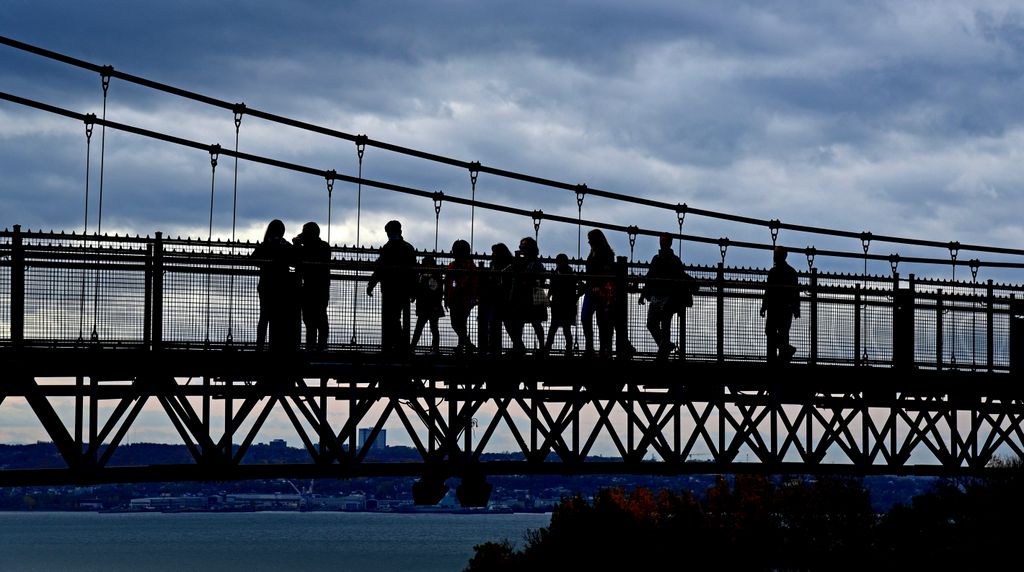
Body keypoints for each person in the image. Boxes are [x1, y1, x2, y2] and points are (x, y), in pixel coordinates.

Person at [639, 233, 696, 360]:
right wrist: (643, 294)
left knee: (662, 324)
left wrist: (643, 294)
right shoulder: (664, 259)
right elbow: (650, 278)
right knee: (653, 324)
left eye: (663, 240)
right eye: (661, 240)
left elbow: (649, 278)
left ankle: (663, 352)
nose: (662, 242)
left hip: (668, 297)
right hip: (661, 297)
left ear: (669, 243)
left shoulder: (667, 260)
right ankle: (665, 346)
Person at [366, 220, 416, 355]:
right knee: (396, 318)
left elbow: (379, 269)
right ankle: (400, 345)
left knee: (390, 318)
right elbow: (413, 272)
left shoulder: (387, 249)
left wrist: (371, 284)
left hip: (389, 289)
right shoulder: (408, 248)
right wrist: (414, 290)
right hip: (403, 289)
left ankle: (394, 345)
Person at [251, 219, 299, 352]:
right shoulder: (285, 245)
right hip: (282, 287)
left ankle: (259, 347)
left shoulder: (265, 244)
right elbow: (295, 261)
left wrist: (267, 262)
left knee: (264, 317)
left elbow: (253, 259)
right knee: (277, 319)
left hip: (266, 285)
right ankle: (274, 347)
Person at [293, 221, 331, 351]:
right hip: (321, 288)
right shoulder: (324, 247)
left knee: (310, 319)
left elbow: (298, 262)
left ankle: (312, 346)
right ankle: (321, 345)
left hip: (310, 288)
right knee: (319, 317)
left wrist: (298, 244)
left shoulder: (307, 249)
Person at [761, 246, 801, 364]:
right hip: (786, 309)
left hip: (774, 308)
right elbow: (795, 293)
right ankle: (784, 360)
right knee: (783, 334)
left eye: (775, 255)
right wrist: (796, 308)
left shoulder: (773, 272)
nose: (774, 257)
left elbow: (768, 291)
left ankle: (773, 360)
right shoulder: (791, 272)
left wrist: (764, 306)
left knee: (770, 332)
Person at [509, 236, 547, 356]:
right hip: (525, 296)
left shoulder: (534, 263)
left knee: (532, 322)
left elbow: (540, 279)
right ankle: (520, 346)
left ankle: (538, 348)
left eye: (523, 247)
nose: (521, 249)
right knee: (520, 323)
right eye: (521, 247)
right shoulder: (528, 262)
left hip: (531, 296)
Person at [581, 229, 615, 358]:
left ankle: (599, 349)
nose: (588, 241)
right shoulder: (595, 252)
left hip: (599, 291)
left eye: (590, 238)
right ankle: (595, 348)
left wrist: (597, 285)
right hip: (592, 290)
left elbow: (605, 273)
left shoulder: (604, 253)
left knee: (599, 321)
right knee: (594, 320)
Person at [445, 239, 479, 355]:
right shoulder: (468, 265)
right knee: (460, 323)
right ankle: (465, 345)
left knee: (457, 323)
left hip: (462, 299)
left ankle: (465, 344)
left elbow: (450, 282)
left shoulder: (464, 266)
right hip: (459, 299)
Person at [544, 253, 579, 357]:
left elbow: (551, 287)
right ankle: (568, 350)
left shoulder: (556, 273)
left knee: (553, 327)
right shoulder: (570, 274)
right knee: (566, 328)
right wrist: (576, 297)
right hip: (567, 304)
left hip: (558, 303)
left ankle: (547, 348)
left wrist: (548, 297)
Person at [486, 243, 516, 355]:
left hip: (500, 297)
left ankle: (493, 348)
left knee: (496, 323)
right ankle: (515, 346)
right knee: (503, 323)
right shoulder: (509, 264)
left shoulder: (496, 265)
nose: (492, 254)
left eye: (494, 252)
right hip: (501, 297)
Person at [411, 254, 444, 355]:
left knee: (420, 328)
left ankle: (412, 348)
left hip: (426, 307)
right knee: (433, 328)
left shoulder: (422, 276)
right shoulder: (435, 276)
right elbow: (437, 291)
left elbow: (420, 289)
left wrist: (414, 296)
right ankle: (435, 349)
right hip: (432, 307)